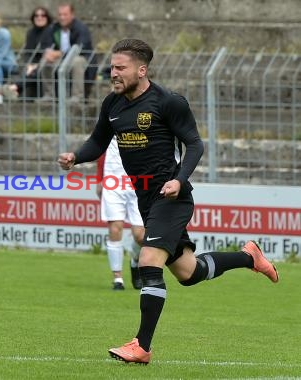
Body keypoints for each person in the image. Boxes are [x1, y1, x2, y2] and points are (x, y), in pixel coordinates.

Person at [58, 38, 279, 364]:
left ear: (141, 69)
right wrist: (75, 156)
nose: (113, 73)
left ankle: (142, 347)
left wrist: (179, 178)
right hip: (147, 200)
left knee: (148, 262)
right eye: (112, 67)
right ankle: (249, 257)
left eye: (121, 68)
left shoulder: (167, 102)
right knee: (190, 273)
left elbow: (194, 144)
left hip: (172, 198)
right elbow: (97, 142)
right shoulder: (112, 104)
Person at [96, 136, 145, 291]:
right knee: (115, 228)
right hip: (113, 182)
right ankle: (118, 279)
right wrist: (100, 179)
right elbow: (100, 148)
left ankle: (135, 260)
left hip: (138, 181)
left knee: (140, 235)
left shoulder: (144, 121)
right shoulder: (111, 119)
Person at [38, 3, 93, 103]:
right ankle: (49, 95)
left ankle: (77, 97)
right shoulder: (53, 28)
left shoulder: (81, 28)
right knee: (45, 61)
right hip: (60, 59)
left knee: (77, 62)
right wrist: (48, 53)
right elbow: (45, 44)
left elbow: (80, 48)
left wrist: (59, 53)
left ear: (72, 14)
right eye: (60, 14)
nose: (62, 17)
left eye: (65, 14)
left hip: (81, 57)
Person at [2, 6, 53, 100]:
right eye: (36, 15)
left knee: (38, 70)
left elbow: (49, 51)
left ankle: (14, 88)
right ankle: (15, 91)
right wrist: (30, 64)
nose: (39, 17)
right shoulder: (31, 33)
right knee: (26, 69)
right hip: (33, 63)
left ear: (47, 17)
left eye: (43, 15)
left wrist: (36, 65)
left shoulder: (51, 31)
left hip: (47, 62)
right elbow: (28, 52)